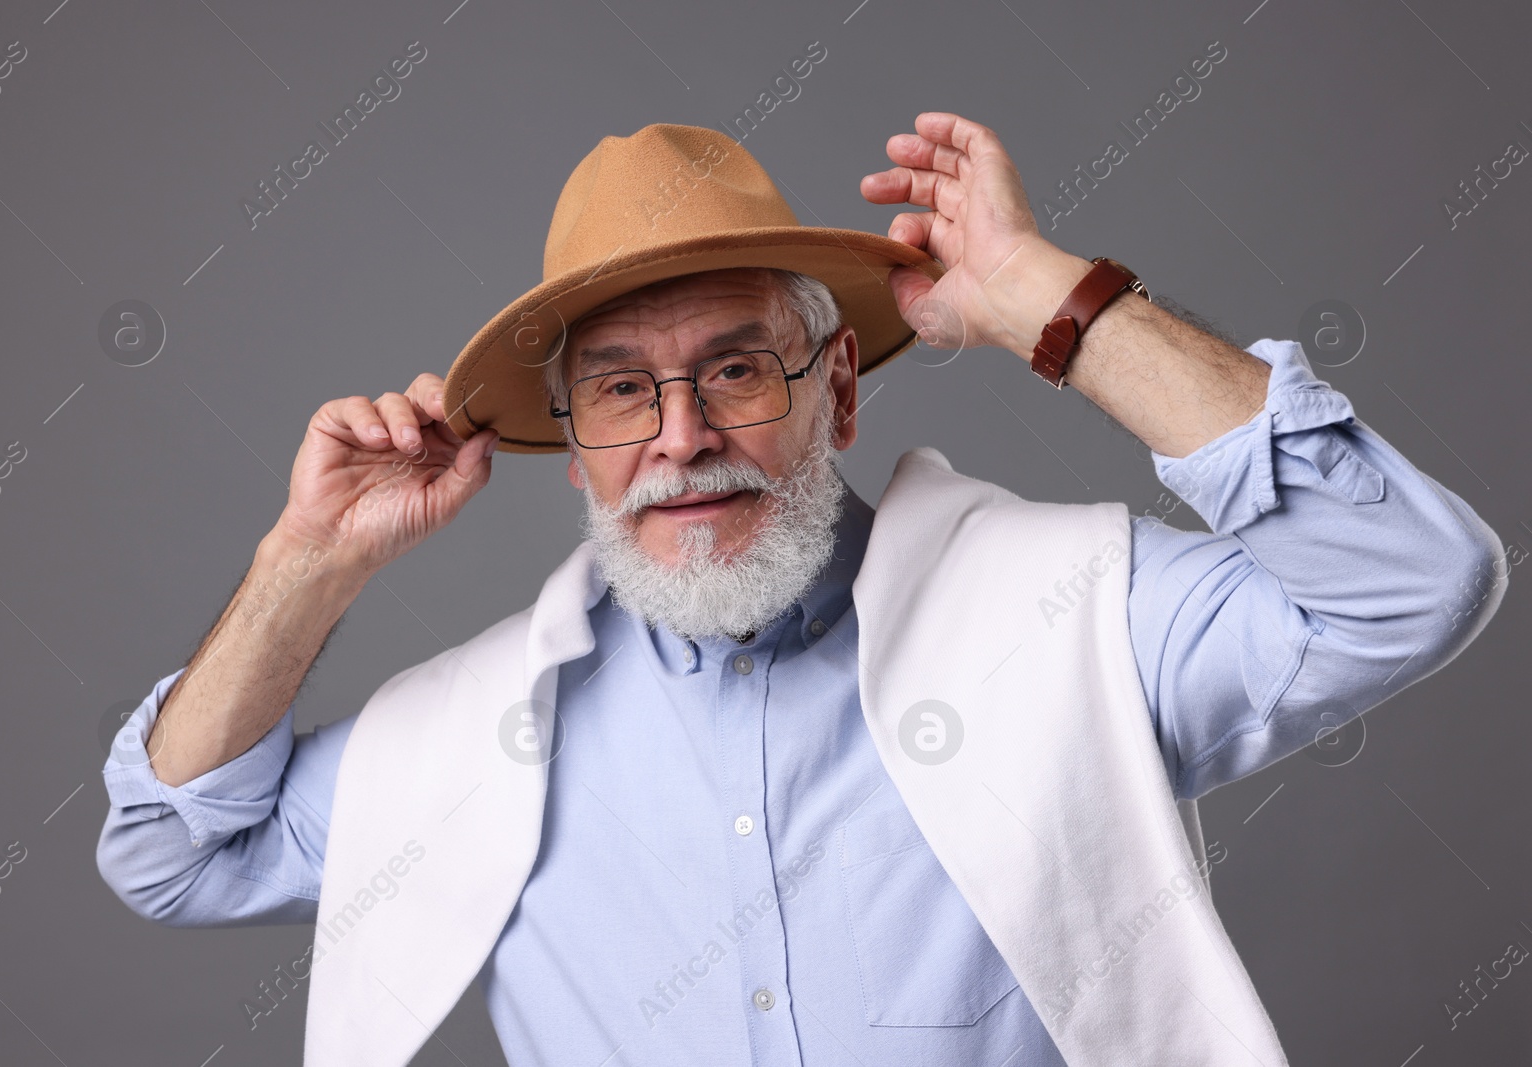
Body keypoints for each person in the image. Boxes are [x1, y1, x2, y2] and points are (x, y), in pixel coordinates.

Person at [96, 114, 1507, 1067]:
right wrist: (306, 566)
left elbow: (1408, 586)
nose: (681, 437)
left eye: (735, 368)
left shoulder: (1064, 623)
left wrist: (1047, 302)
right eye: (619, 392)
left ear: (837, 391)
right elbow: (172, 852)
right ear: (574, 447)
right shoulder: (465, 743)